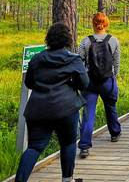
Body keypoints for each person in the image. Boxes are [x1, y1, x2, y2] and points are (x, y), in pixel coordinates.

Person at [15, 22, 88, 182]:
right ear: (67, 40)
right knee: (68, 144)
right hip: (67, 109)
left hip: (38, 110)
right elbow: (84, 83)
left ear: (49, 39)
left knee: (34, 147)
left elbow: (29, 83)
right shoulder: (73, 60)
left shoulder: (36, 59)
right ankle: (66, 179)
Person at [77, 12, 122, 158]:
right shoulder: (113, 40)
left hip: (90, 82)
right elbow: (116, 62)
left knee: (88, 114)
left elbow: (80, 60)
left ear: (93, 23)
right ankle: (114, 133)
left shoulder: (86, 41)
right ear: (106, 23)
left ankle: (84, 146)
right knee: (110, 106)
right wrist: (113, 76)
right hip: (108, 81)